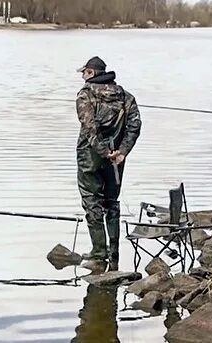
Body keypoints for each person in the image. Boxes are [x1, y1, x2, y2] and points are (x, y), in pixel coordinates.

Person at [75, 56, 141, 271]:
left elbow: (89, 127)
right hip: (117, 160)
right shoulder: (126, 96)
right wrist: (121, 152)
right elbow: (135, 126)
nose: (83, 76)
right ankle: (114, 254)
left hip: (90, 159)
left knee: (92, 202)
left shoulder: (85, 94)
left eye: (84, 72)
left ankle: (99, 252)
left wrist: (104, 151)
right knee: (112, 202)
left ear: (92, 73)